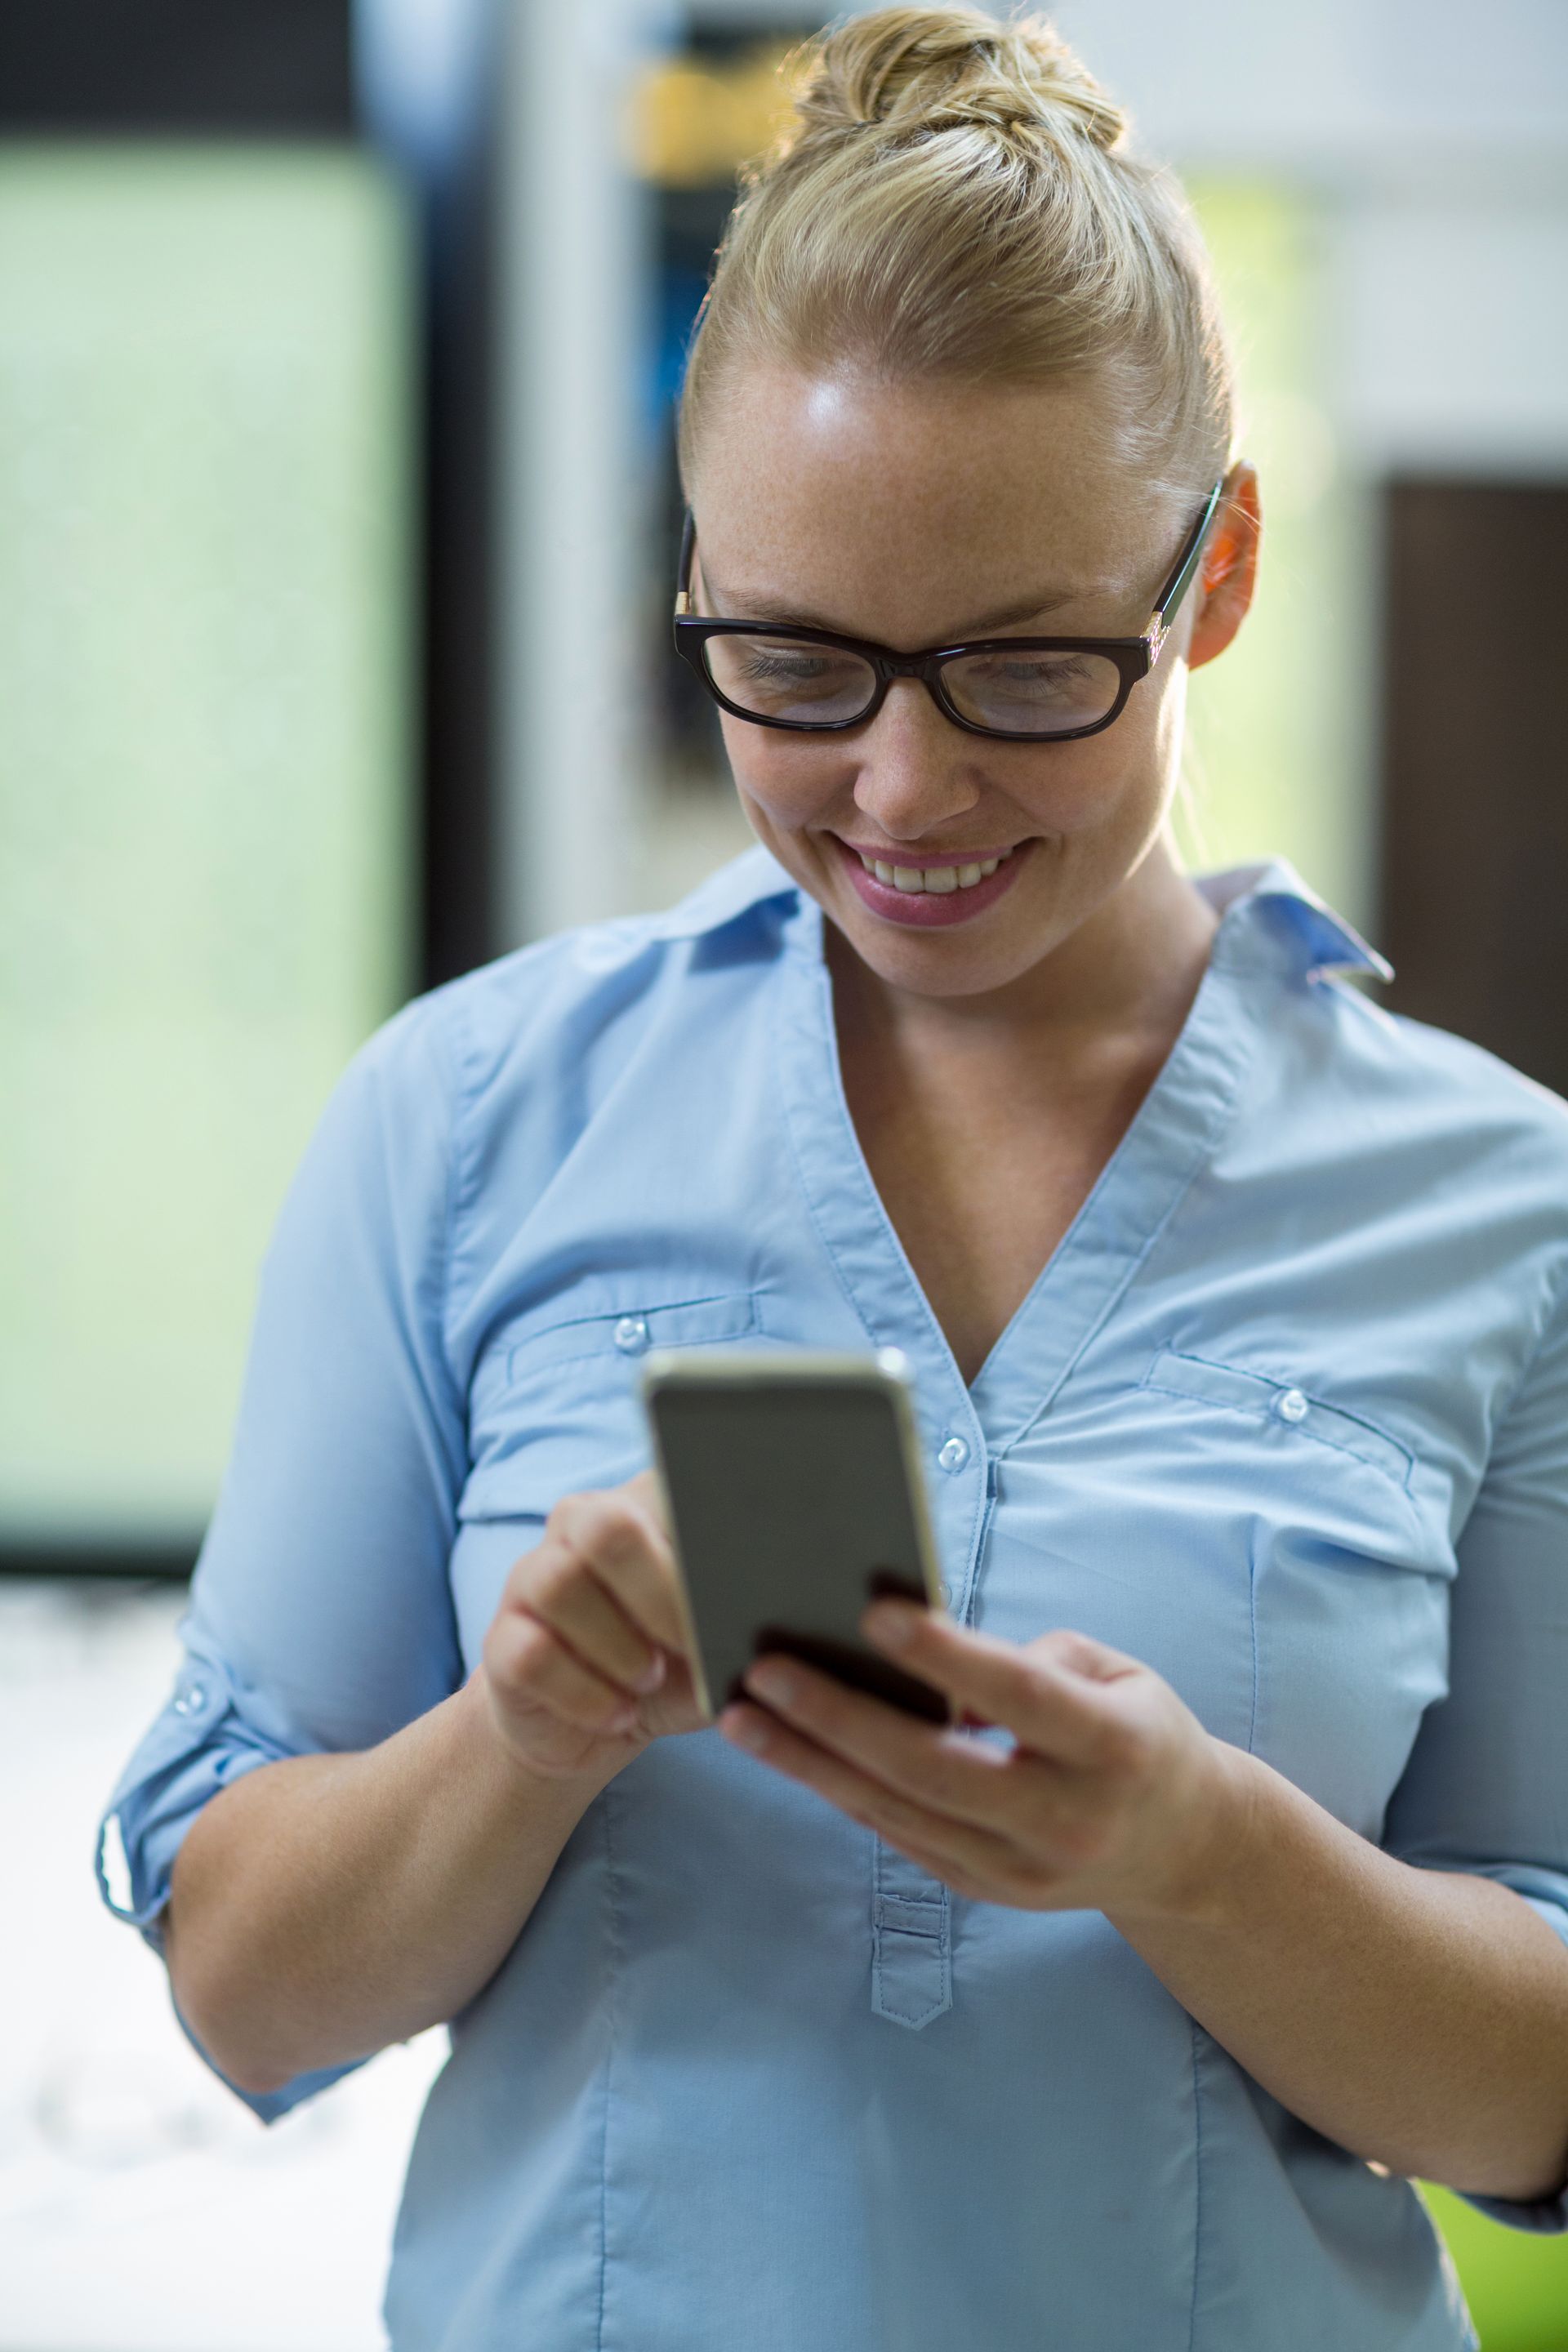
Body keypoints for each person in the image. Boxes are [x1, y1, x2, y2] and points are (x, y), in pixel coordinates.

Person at [96, 10, 1568, 2348]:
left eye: (1018, 673)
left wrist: (1200, 1856)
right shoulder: (470, 1124)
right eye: (789, 662)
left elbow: (1546, 2101)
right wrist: (522, 1735)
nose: (897, 793)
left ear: (1218, 573)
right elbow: (242, 1996)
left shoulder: (1502, 1212)